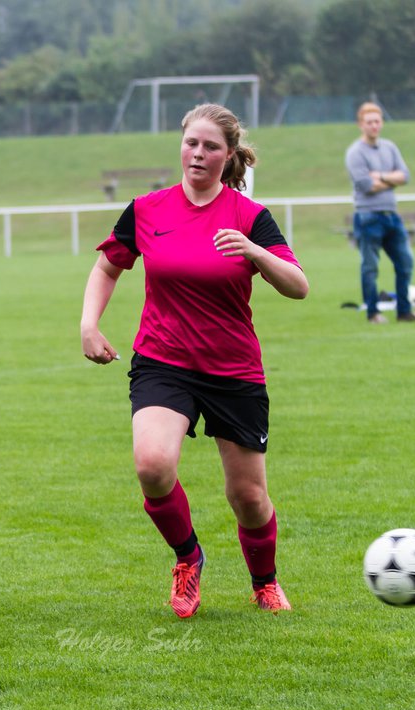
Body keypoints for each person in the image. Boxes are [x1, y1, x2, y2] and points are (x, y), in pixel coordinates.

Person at [79, 103, 309, 619]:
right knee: (152, 465)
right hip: (164, 361)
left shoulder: (248, 216)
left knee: (248, 497)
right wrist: (88, 324)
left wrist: (255, 251)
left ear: (228, 157)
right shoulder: (147, 209)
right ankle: (188, 558)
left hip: (233, 369)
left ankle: (264, 582)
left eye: (211, 147)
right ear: (181, 146)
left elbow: (298, 286)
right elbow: (107, 267)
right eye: (191, 143)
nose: (198, 154)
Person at [346, 102, 415, 323]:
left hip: (391, 215)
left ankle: (404, 311)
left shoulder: (390, 147)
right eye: (369, 122)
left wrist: (381, 176)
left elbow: (404, 176)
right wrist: (390, 178)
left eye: (377, 121)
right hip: (368, 216)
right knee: (370, 267)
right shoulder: (355, 153)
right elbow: (366, 185)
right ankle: (373, 313)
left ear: (382, 123)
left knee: (405, 262)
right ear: (361, 125)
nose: (374, 126)